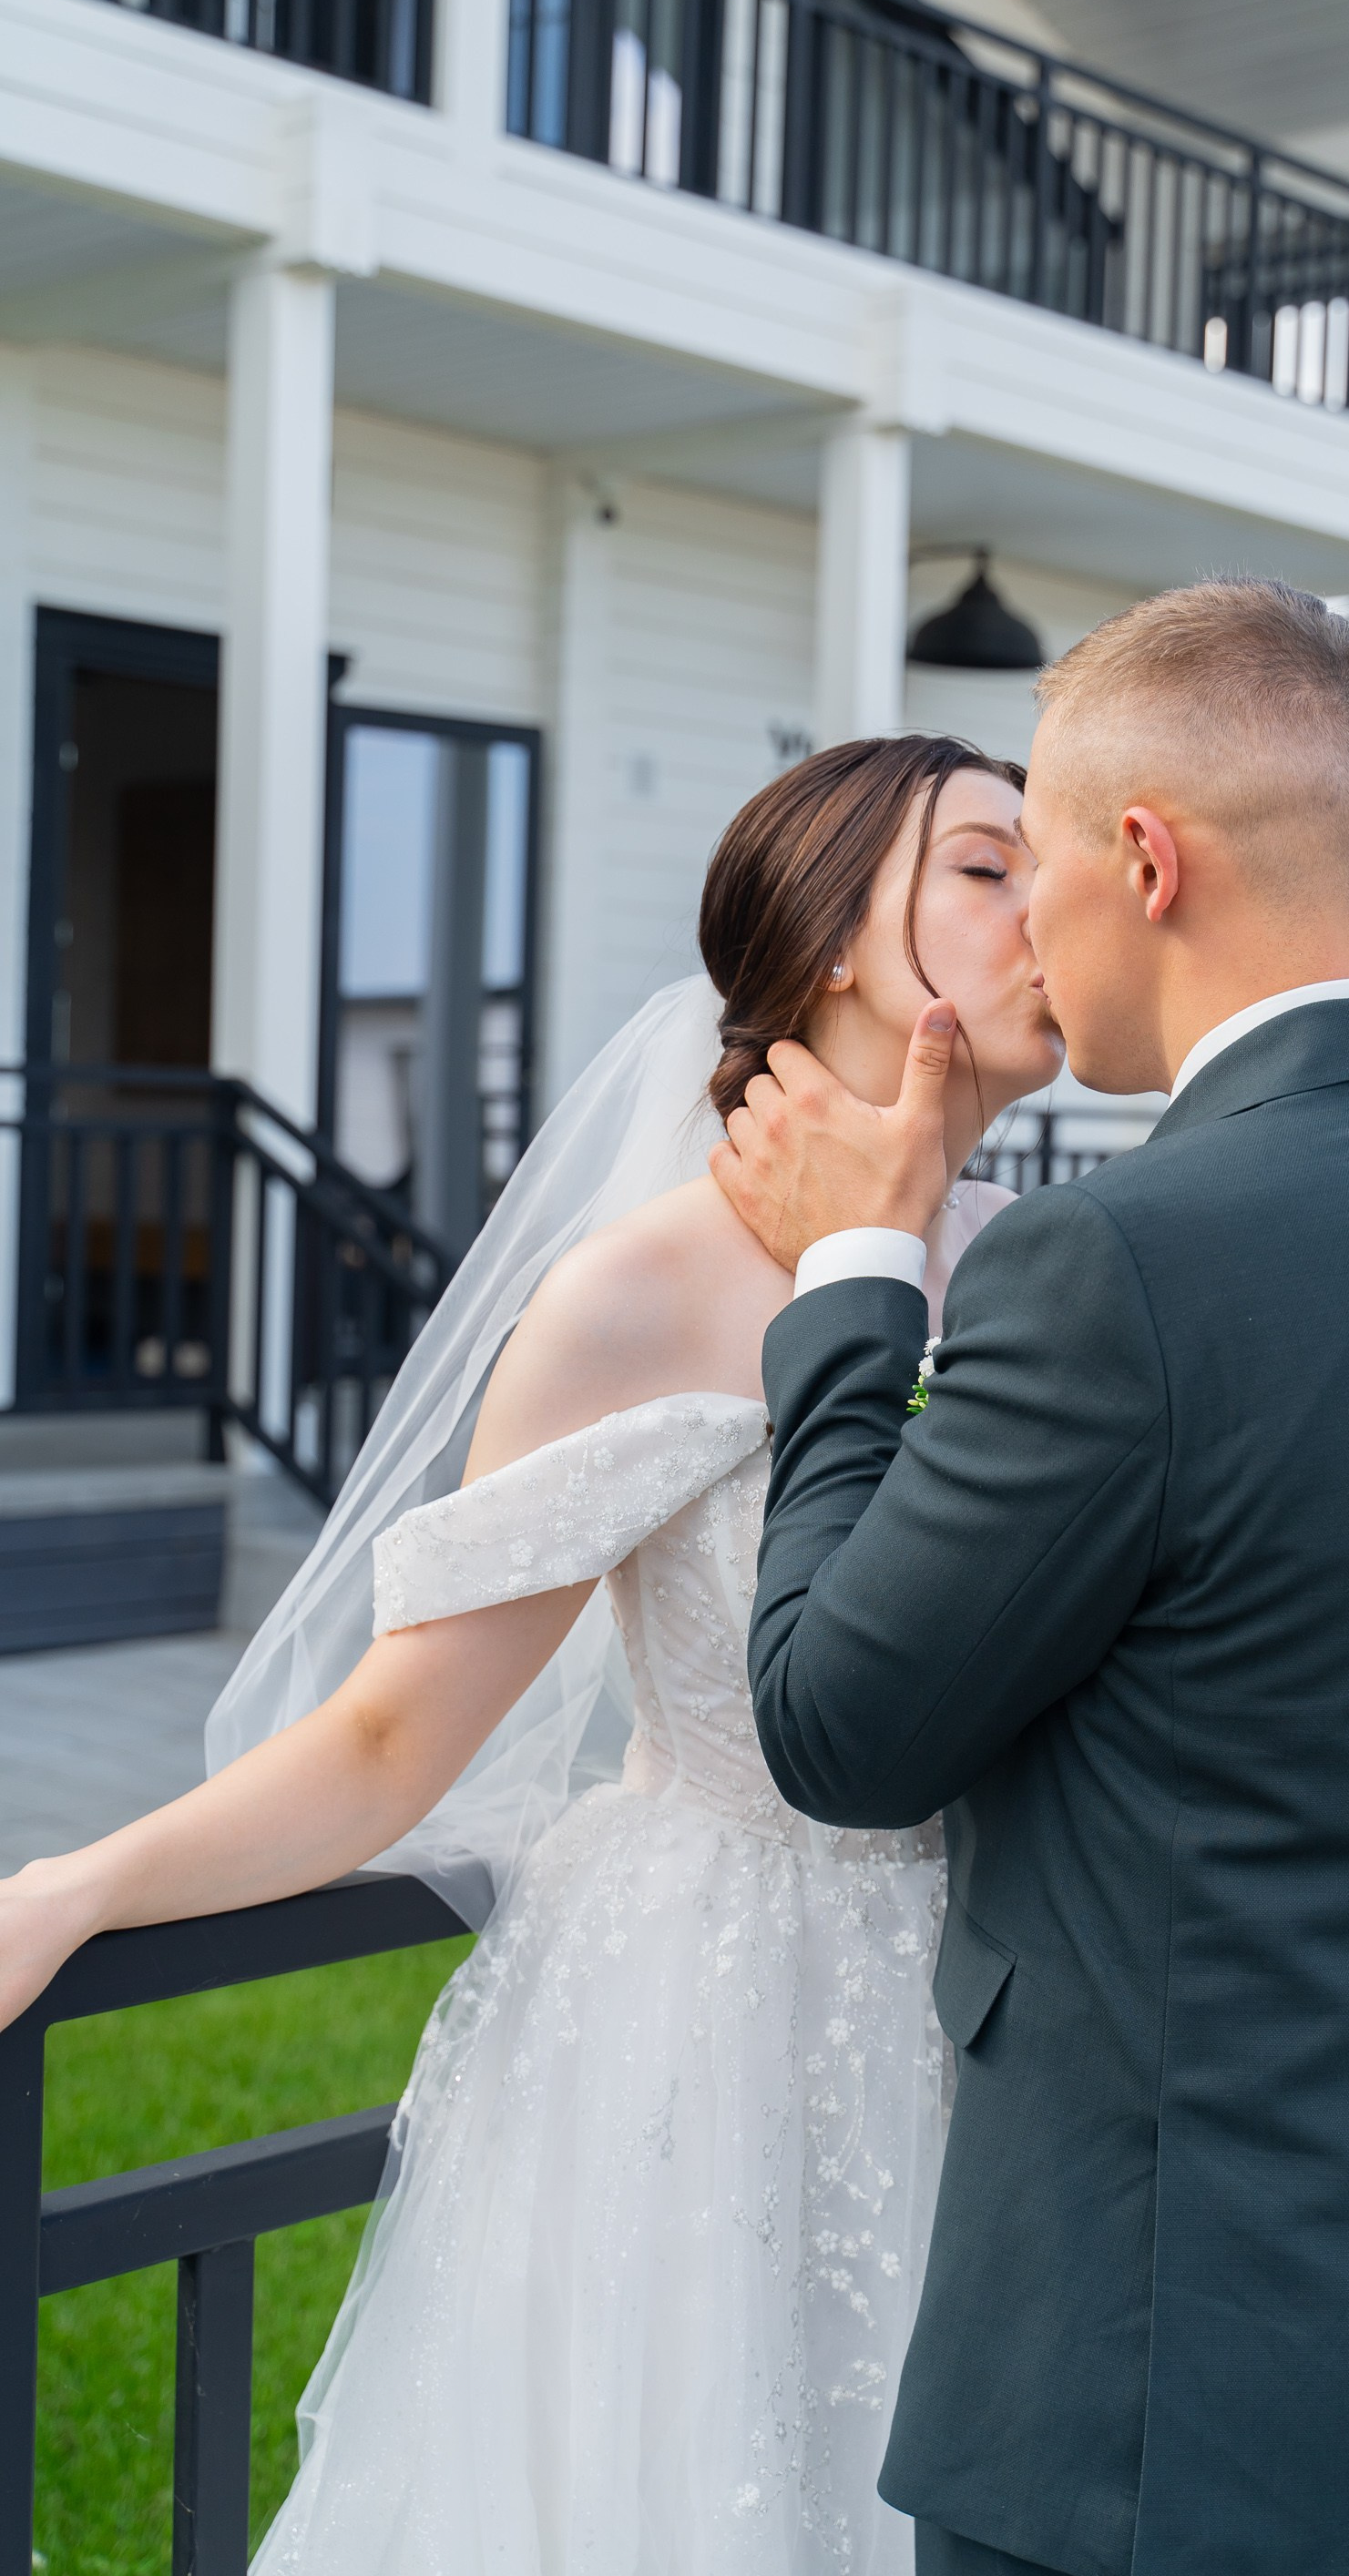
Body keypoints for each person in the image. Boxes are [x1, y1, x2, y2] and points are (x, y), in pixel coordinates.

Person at [712, 579, 1349, 2576]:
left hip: (1169, 2409)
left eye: (1040, 870)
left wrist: (855, 1279)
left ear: (1148, 860)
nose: (1022, 932)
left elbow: (833, 1723)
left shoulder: (1118, 1267)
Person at [0, 734, 1065, 2575]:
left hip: (1005, 2026)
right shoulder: (639, 1291)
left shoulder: (1049, 1269)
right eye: (986, 865)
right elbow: (393, 1736)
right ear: (824, 938)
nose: (1045, 904)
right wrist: (86, 1884)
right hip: (703, 2028)